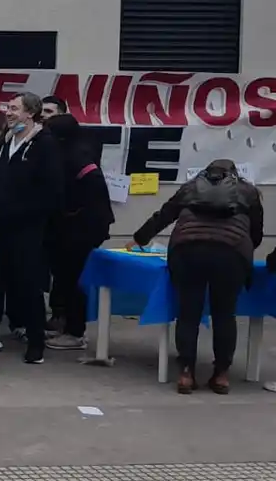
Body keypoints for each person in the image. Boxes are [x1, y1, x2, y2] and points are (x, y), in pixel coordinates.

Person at [132, 160, 263, 395]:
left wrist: (140, 238)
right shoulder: (248, 192)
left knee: (188, 313)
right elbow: (256, 233)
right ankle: (221, 375)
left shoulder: (190, 187)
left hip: (188, 251)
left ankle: (186, 374)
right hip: (230, 254)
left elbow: (163, 215)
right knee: (224, 314)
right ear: (233, 175)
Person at [0, 93, 63, 364]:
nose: (9, 112)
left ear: (31, 113)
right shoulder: (7, 141)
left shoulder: (44, 144)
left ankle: (36, 342)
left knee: (28, 285)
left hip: (26, 229)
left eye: (14, 108)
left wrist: (24, 213)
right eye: (8, 108)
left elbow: (50, 190)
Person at [43, 114, 114, 351]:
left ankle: (76, 332)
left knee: (74, 279)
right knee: (64, 279)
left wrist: (72, 210)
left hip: (81, 230)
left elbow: (93, 186)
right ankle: (67, 325)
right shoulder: (67, 153)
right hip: (71, 229)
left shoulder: (78, 157)